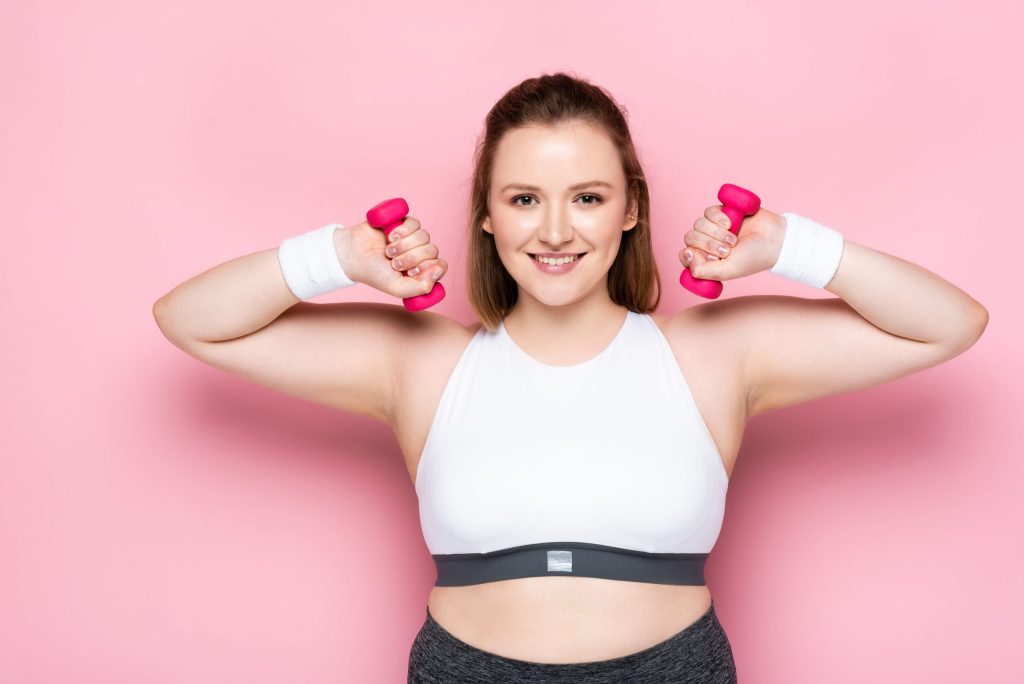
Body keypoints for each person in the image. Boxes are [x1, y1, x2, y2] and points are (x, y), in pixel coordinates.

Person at [152, 72, 989, 683]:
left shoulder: (713, 353)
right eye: (523, 199)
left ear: (631, 208)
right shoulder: (420, 363)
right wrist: (338, 256)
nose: (554, 230)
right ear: (485, 212)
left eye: (586, 198)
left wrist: (788, 248)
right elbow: (190, 319)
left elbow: (950, 324)